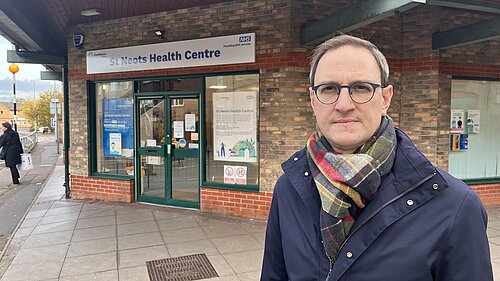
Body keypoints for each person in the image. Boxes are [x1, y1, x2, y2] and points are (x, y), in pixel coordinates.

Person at [261, 34, 492, 280]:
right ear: (313, 101)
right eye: (329, 89)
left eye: (360, 88)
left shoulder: (454, 206)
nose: (343, 104)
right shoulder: (288, 190)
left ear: (385, 98)